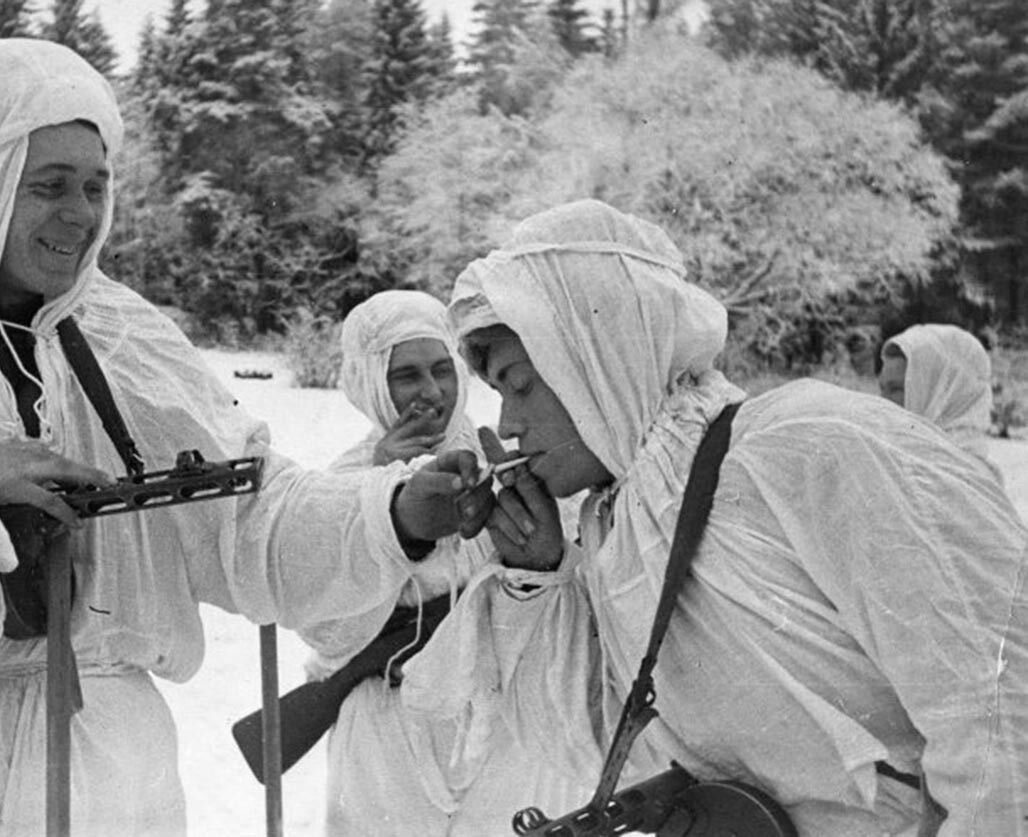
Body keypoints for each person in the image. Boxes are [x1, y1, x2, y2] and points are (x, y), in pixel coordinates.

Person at [0, 40, 469, 836]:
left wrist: (395, 513)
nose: (80, 214)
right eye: (48, 186)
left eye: (96, 184)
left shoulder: (129, 339)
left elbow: (252, 520)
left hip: (101, 770)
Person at [422, 198, 1027, 834]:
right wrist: (537, 571)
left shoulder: (811, 444)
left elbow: (999, 711)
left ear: (596, 359)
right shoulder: (623, 524)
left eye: (520, 386)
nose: (509, 428)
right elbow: (602, 751)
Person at [293, 290, 591, 835]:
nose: (431, 393)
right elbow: (321, 623)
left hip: (508, 719)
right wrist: (381, 497)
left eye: (442, 371)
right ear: (370, 382)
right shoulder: (339, 483)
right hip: (390, 721)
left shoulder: (516, 458)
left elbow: (574, 575)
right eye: (406, 376)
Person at [878, 323, 996, 467]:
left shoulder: (959, 472)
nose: (881, 401)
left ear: (941, 394)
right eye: (882, 389)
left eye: (896, 389)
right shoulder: (892, 458)